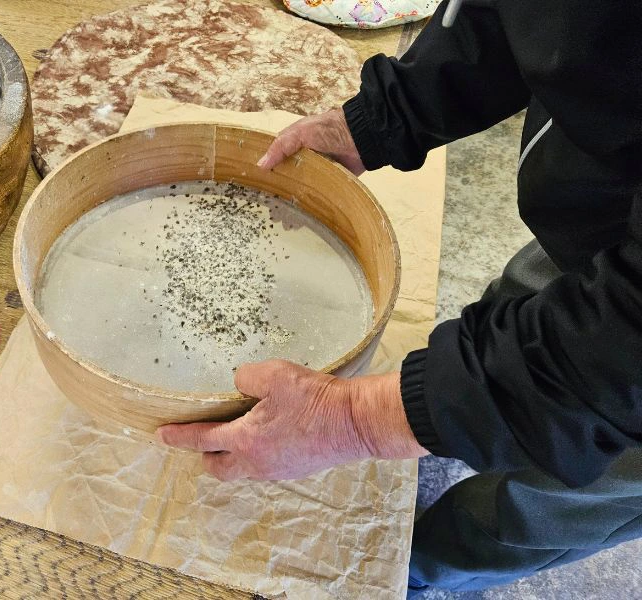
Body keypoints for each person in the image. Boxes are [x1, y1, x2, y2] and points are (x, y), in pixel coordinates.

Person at [157, 0, 642, 595]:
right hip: (611, 213)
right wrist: (384, 117)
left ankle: (414, 569)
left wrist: (358, 422)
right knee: (519, 320)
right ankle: (458, 422)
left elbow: (621, 350)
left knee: (556, 495)